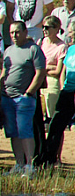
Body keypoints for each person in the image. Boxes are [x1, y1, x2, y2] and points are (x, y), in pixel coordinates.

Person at [2, 21, 44, 173]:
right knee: (13, 132)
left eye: (17, 32)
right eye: (12, 32)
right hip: (7, 97)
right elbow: (4, 73)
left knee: (24, 130)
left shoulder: (33, 49)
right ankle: (19, 164)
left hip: (24, 98)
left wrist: (29, 93)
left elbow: (40, 73)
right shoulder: (8, 50)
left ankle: (30, 165)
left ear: (25, 32)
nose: (14, 35)